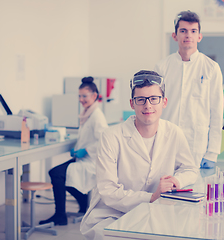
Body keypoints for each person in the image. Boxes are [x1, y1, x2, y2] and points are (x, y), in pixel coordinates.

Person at [80, 70, 197, 240]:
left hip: (156, 212)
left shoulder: (174, 133)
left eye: (154, 99)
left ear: (164, 102)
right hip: (112, 214)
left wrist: (175, 181)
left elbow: (190, 169)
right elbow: (108, 190)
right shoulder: (111, 136)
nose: (147, 105)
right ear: (132, 103)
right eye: (140, 100)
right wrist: (152, 197)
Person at [154, 10, 224, 169]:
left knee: (194, 191)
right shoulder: (162, 67)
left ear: (199, 36)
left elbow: (216, 112)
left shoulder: (211, 68)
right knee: (163, 190)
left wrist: (212, 152)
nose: (188, 35)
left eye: (193, 31)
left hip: (196, 146)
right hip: (165, 143)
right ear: (175, 35)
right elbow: (155, 107)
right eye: (183, 31)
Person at [39, 76, 108, 226]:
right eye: (79, 96)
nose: (81, 99)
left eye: (84, 96)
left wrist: (86, 150)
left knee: (57, 174)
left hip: (91, 161)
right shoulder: (88, 113)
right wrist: (78, 149)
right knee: (60, 174)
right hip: (84, 158)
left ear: (94, 96)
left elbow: (104, 141)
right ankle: (83, 204)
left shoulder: (97, 116)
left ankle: (60, 216)